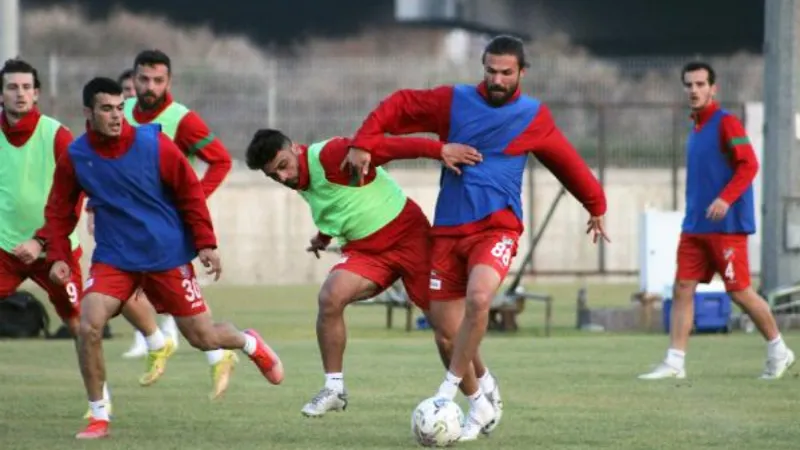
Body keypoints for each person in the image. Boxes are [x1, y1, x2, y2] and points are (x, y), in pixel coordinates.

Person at [345, 35, 608, 441]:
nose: (498, 79)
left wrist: (596, 204)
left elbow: (565, 161)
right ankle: (483, 398)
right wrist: (364, 142)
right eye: (491, 71)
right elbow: (399, 104)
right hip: (448, 231)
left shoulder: (533, 116)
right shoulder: (454, 102)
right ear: (482, 68)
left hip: (497, 228)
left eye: (506, 72)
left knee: (480, 297)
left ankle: (445, 395)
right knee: (446, 333)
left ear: (522, 72)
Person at [38, 77, 283, 439]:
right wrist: (57, 255)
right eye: (107, 109)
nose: (117, 116)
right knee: (88, 324)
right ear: (88, 113)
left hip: (165, 255)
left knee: (203, 338)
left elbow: (189, 193)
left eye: (121, 108)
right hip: (115, 259)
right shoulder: (77, 156)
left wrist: (206, 243)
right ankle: (98, 415)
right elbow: (58, 211)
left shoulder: (154, 144)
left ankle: (248, 343)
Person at [244, 129, 496, 419]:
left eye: (283, 166)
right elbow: (341, 200)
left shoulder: (331, 155)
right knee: (330, 296)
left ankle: (486, 389)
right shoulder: (299, 178)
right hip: (367, 252)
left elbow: (390, 147)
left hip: (408, 238)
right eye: (274, 176)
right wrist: (324, 238)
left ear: (295, 149)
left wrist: (440, 151)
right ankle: (334, 388)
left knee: (448, 332)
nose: (283, 178)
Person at [0, 58, 170, 419]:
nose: (20, 94)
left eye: (27, 87)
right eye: (12, 87)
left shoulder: (56, 135)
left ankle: (105, 395)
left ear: (37, 93)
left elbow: (72, 194)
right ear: (2, 93)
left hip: (53, 249)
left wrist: (43, 241)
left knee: (83, 323)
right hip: (5, 248)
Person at [638, 61, 795, 380]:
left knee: (739, 292)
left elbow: (749, 165)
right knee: (683, 287)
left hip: (726, 229)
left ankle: (779, 349)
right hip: (695, 226)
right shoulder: (694, 129)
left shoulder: (727, 124)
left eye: (700, 84)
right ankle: (674, 362)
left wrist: (725, 198)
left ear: (713, 88)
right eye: (689, 85)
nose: (694, 90)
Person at [117, 49, 236, 399]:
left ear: (169, 82)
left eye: (158, 80)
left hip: (164, 228)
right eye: (144, 79)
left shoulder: (181, 119)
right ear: (133, 80)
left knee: (183, 301)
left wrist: (191, 199)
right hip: (124, 225)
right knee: (113, 290)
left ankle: (216, 352)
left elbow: (221, 160)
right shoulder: (118, 113)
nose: (150, 86)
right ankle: (159, 342)